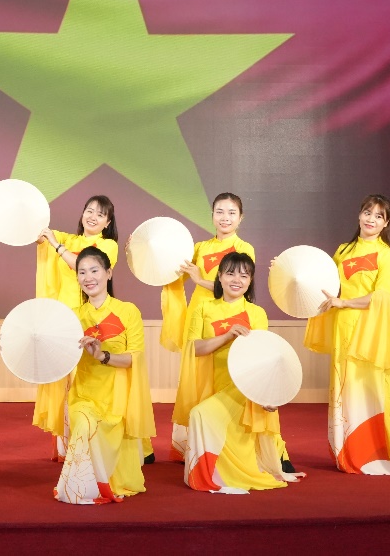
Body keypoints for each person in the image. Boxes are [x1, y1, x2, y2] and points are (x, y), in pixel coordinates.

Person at [303, 194, 390, 478]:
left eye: (379, 216)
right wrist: (292, 274)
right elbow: (324, 282)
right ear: (359, 215)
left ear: (385, 223)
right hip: (343, 329)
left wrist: (345, 303)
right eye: (368, 213)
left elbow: (382, 297)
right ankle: (356, 453)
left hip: (372, 331)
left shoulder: (387, 255)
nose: (371, 219)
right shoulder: (343, 251)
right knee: (349, 393)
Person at [176, 252, 303, 492]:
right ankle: (215, 471)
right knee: (202, 414)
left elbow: (265, 358)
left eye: (244, 275)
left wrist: (269, 395)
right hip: (212, 384)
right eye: (231, 273)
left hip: (245, 389)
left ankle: (214, 475)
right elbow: (194, 348)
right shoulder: (203, 308)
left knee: (200, 415)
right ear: (220, 277)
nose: (237, 280)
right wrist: (226, 336)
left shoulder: (256, 314)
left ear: (250, 281)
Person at [160, 192, 257, 460]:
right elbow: (171, 265)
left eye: (231, 213)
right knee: (197, 375)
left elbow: (236, 285)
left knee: (226, 372)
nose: (225, 218)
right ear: (212, 215)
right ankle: (196, 445)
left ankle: (226, 442)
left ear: (240, 218)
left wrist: (200, 279)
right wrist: (146, 249)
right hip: (200, 315)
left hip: (228, 314)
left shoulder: (244, 249)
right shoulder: (200, 247)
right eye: (220, 212)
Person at [54, 247, 154, 504]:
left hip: (118, 398)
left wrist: (102, 356)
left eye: (94, 270)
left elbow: (134, 358)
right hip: (85, 395)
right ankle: (79, 488)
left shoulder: (128, 311)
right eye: (82, 272)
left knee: (121, 472)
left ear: (108, 273)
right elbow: (53, 352)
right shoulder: (73, 316)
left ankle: (104, 482)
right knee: (85, 424)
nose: (88, 277)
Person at [33, 196, 121, 450]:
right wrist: (6, 196)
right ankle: (66, 444)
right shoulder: (68, 239)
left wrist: (57, 247)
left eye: (100, 214)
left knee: (85, 377)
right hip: (61, 315)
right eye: (89, 210)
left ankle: (90, 440)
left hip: (90, 316)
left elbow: (83, 265)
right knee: (64, 378)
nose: (93, 216)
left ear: (107, 222)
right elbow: (35, 230)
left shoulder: (108, 246)